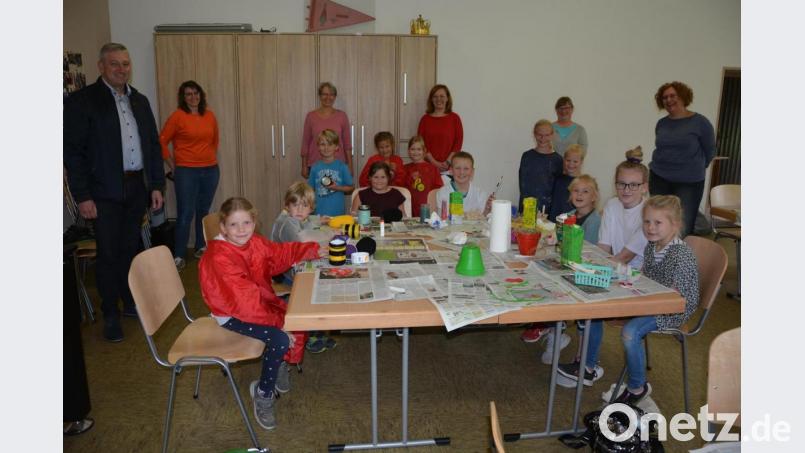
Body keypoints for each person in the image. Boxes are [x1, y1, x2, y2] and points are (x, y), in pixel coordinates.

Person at [63, 42, 165, 342]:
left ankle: (129, 301)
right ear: (101, 67)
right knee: (108, 253)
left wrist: (156, 185)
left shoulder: (140, 101)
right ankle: (110, 313)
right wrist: (82, 196)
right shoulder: (84, 101)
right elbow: (73, 153)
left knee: (130, 249)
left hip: (136, 187)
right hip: (102, 191)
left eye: (126, 63)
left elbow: (153, 146)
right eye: (115, 64)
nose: (122, 69)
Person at [557, 195, 699, 402]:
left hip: (672, 310)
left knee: (630, 332)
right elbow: (648, 277)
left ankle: (637, 387)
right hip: (650, 300)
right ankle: (587, 366)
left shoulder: (681, 254)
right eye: (647, 222)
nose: (650, 227)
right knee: (594, 309)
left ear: (675, 224)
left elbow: (681, 299)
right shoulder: (652, 245)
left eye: (658, 223)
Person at [199, 197, 321, 430]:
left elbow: (277, 254)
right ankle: (263, 392)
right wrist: (278, 324)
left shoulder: (253, 242)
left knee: (294, 314)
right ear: (223, 228)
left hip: (255, 303)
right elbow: (243, 304)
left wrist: (312, 249)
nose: (241, 229)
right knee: (280, 335)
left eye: (246, 223)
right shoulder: (219, 257)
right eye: (233, 225)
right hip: (230, 314)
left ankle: (280, 362)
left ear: (254, 223)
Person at [270, 182, 337, 354]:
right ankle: (310, 333)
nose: (300, 210)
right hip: (284, 272)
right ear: (287, 205)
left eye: (304, 206)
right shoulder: (287, 224)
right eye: (295, 205)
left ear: (311, 208)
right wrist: (328, 236)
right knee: (314, 288)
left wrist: (318, 220)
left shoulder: (296, 218)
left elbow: (307, 222)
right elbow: (303, 241)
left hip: (291, 266)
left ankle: (318, 329)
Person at [159, 80, 220, 269]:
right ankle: (178, 254)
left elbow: (215, 141)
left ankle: (200, 246)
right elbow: (161, 141)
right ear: (183, 98)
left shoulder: (209, 116)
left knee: (203, 211)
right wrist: (172, 165)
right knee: (185, 213)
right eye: (188, 94)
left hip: (210, 170)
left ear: (201, 95)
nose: (193, 97)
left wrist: (207, 158)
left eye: (196, 93)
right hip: (186, 171)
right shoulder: (178, 116)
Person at [649, 81, 716, 236]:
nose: (669, 100)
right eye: (664, 97)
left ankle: (679, 259)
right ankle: (658, 258)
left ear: (683, 96)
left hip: (689, 182)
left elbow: (710, 151)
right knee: (657, 221)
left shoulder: (700, 122)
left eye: (673, 95)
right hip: (659, 178)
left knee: (683, 225)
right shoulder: (662, 123)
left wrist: (694, 168)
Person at [598, 147, 650, 269]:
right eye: (622, 184)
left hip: (640, 274)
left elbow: (625, 257)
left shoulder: (649, 213)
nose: (626, 190)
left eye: (633, 185)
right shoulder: (612, 205)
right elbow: (603, 247)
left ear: (644, 187)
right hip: (618, 267)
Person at [300, 82, 353, 178]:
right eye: (325, 94)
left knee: (337, 192)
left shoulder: (342, 116)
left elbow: (347, 144)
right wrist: (304, 166)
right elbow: (305, 143)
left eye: (331, 94)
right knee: (317, 192)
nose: (328, 97)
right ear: (320, 96)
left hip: (338, 165)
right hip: (315, 164)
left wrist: (350, 165)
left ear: (335, 97)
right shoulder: (311, 117)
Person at [518, 119, 564, 215]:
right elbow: (523, 186)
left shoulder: (558, 160)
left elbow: (558, 190)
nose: (543, 138)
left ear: (552, 135)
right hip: (526, 209)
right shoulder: (527, 156)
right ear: (534, 134)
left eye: (547, 135)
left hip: (547, 212)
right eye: (539, 134)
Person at [417, 84, 463, 172]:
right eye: (435, 96)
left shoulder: (455, 118)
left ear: (447, 98)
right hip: (428, 167)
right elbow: (421, 144)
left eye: (442, 96)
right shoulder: (425, 119)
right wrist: (434, 163)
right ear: (431, 99)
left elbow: (458, 144)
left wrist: (447, 162)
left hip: (449, 167)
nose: (439, 99)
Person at [433, 151, 494, 217]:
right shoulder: (442, 193)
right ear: (451, 171)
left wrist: (487, 209)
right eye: (457, 168)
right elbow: (442, 221)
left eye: (466, 169)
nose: (461, 172)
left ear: (472, 172)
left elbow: (483, 219)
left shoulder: (480, 194)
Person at [308, 129, 354, 216]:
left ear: (336, 147)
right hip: (319, 213)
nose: (326, 148)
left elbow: (351, 187)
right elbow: (309, 190)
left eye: (330, 144)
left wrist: (337, 188)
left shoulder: (342, 166)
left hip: (337, 213)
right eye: (322, 144)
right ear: (318, 147)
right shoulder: (315, 167)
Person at [404, 135, 443, 217]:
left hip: (427, 208)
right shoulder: (405, 168)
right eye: (412, 149)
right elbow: (402, 189)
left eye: (419, 149)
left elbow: (438, 189)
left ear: (424, 151)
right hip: (410, 207)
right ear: (408, 151)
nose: (415, 152)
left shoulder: (432, 168)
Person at [548, 144, 585, 221]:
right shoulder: (558, 179)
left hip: (569, 225)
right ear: (564, 160)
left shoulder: (582, 183)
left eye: (575, 161)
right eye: (568, 160)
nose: (571, 164)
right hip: (552, 222)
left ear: (581, 162)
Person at [565, 174, 601, 244]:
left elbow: (588, 249)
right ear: (571, 195)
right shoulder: (569, 214)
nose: (579, 194)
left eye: (585, 191)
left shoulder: (594, 221)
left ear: (593, 197)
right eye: (576, 190)